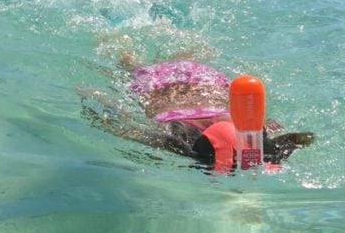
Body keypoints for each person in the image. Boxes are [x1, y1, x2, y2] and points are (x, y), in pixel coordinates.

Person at [82, 55, 313, 173]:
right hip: (158, 87)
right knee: (131, 63)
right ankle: (122, 47)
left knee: (135, 60)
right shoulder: (172, 138)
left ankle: (122, 46)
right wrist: (98, 101)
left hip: (203, 82)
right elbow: (121, 127)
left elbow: (288, 134)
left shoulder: (249, 131)